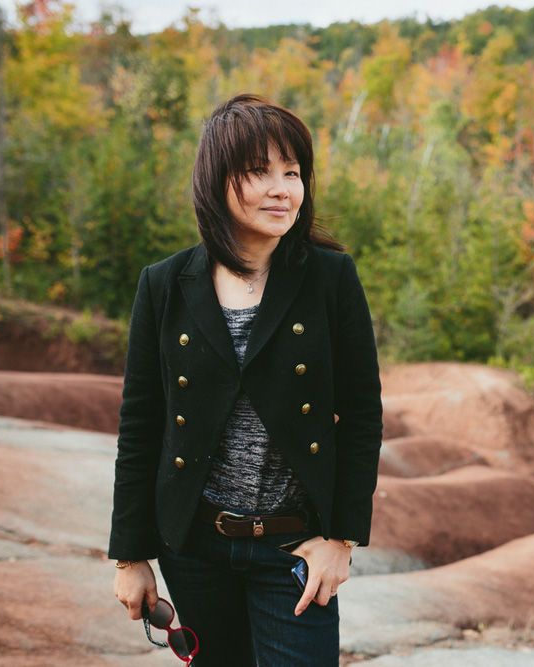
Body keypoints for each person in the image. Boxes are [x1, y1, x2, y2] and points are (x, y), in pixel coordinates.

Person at [109, 93, 383, 666]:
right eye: (260, 172)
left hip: (295, 550)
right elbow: (142, 423)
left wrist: (342, 541)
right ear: (216, 180)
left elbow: (361, 414)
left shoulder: (330, 277)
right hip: (195, 546)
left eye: (293, 172)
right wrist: (130, 555)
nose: (283, 188)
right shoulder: (164, 285)